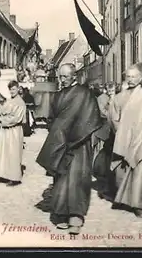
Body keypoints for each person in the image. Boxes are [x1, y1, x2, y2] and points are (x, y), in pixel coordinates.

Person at [36, 63, 102, 235]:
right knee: (62, 180)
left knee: (78, 180)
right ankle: (62, 214)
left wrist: (76, 134)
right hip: (62, 144)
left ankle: (76, 217)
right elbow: (52, 118)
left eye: (65, 76)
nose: (62, 80)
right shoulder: (58, 96)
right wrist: (58, 134)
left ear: (74, 76)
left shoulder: (85, 94)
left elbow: (91, 117)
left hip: (80, 144)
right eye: (60, 76)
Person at [108, 66, 142, 218]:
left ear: (140, 79)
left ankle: (138, 205)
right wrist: (120, 131)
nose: (130, 79)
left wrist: (138, 139)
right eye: (128, 77)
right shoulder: (120, 97)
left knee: (138, 172)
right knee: (121, 169)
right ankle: (122, 199)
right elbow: (113, 117)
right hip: (123, 138)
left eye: (133, 77)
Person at [0, 80, 26, 186]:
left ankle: (15, 178)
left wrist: (2, 120)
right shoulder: (9, 101)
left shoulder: (20, 103)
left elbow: (16, 118)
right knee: (3, 151)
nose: (12, 91)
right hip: (5, 130)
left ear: (18, 89)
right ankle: (3, 174)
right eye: (10, 89)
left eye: (14, 89)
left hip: (14, 130)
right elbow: (3, 111)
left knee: (13, 153)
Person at [92, 82, 116, 199]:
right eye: (109, 90)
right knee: (103, 153)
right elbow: (102, 112)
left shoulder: (118, 98)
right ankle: (101, 174)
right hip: (104, 128)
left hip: (113, 129)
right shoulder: (102, 98)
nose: (111, 92)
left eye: (113, 90)